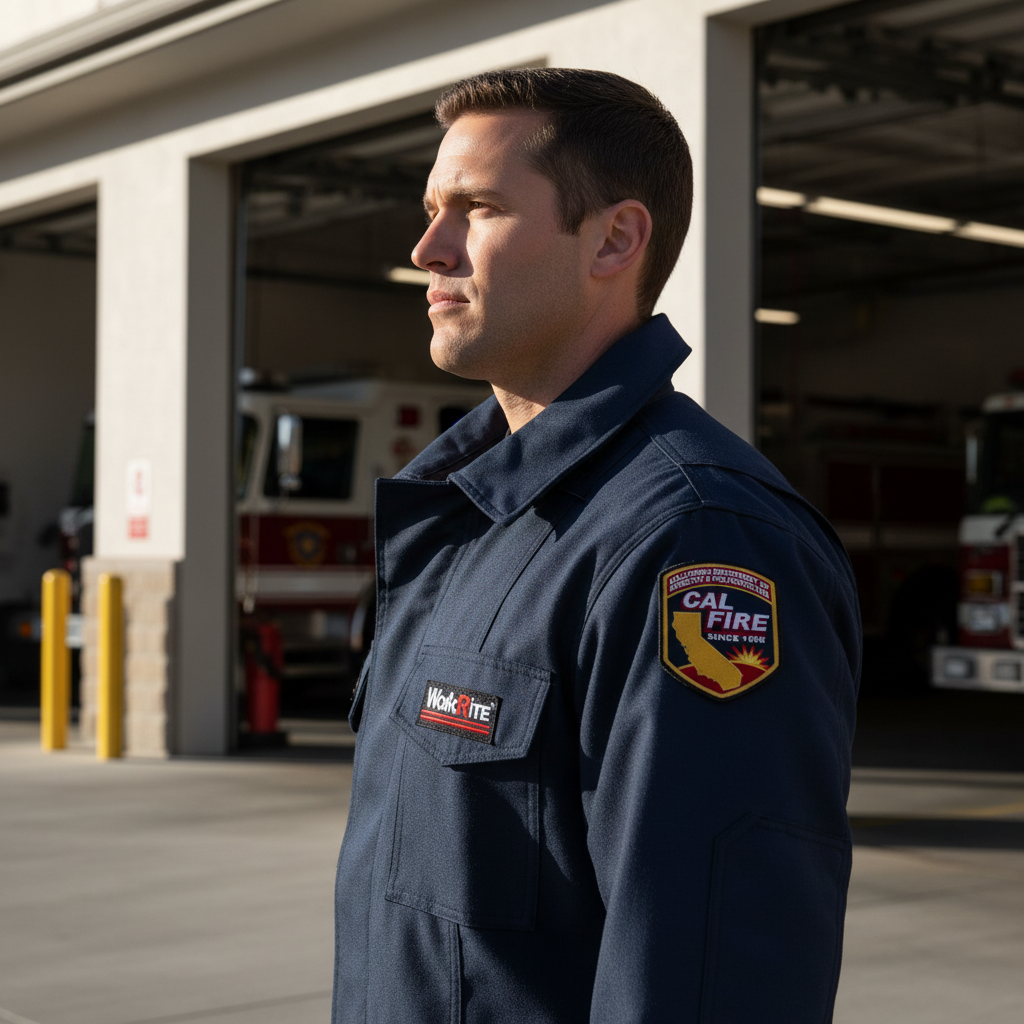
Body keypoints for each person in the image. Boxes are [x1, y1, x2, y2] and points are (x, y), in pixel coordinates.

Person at [332, 68, 860, 1024]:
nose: (426, 248)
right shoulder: (473, 516)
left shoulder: (692, 539)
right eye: (430, 209)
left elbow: (713, 978)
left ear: (615, 239)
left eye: (477, 207)